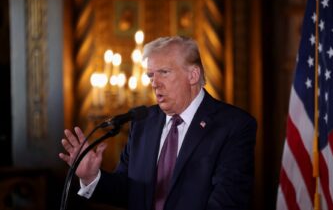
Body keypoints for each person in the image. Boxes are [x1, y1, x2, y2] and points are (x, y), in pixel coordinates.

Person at [59, 36, 257, 210]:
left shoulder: (234, 126)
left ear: (193, 75)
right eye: (151, 75)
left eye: (164, 72)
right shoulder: (143, 122)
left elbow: (227, 202)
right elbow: (128, 191)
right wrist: (91, 177)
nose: (154, 83)